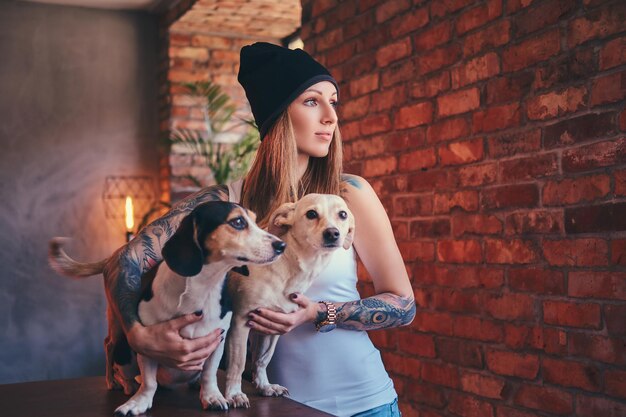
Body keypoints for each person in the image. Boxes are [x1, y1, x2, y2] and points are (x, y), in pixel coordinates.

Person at [105, 42, 415, 417]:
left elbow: (403, 304)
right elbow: (125, 260)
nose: (332, 116)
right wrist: (140, 335)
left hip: (364, 404)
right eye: (312, 101)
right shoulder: (224, 203)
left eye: (334, 101)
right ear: (278, 114)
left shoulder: (350, 195)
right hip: (264, 406)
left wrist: (318, 311)